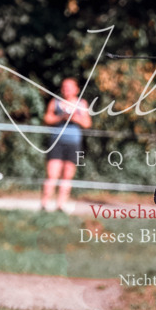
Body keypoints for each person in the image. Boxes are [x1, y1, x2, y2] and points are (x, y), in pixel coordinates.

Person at [41, 77, 91, 212]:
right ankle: (44, 204)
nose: (66, 90)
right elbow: (47, 118)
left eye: (69, 87)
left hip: (73, 143)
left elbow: (87, 123)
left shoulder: (82, 104)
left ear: (76, 89)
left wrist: (76, 118)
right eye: (64, 87)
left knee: (67, 176)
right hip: (56, 142)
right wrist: (60, 117)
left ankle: (60, 205)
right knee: (52, 174)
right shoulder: (55, 102)